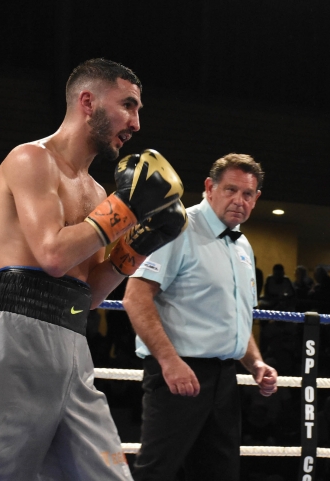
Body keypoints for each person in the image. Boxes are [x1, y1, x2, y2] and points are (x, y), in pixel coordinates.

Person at [0, 58, 189, 480]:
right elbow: (53, 255)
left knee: (108, 475)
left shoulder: (99, 190)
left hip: (71, 347)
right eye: (129, 105)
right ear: (88, 102)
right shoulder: (31, 160)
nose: (136, 122)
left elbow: (92, 289)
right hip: (11, 341)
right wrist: (129, 207)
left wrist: (141, 242)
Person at [122, 153, 278, 481]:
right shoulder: (178, 227)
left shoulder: (242, 246)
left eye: (247, 194)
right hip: (178, 374)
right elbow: (135, 298)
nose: (239, 200)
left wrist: (256, 363)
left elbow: (234, 318)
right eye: (231, 190)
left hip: (224, 380)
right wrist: (169, 362)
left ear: (256, 199)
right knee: (156, 472)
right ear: (209, 187)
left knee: (219, 474)